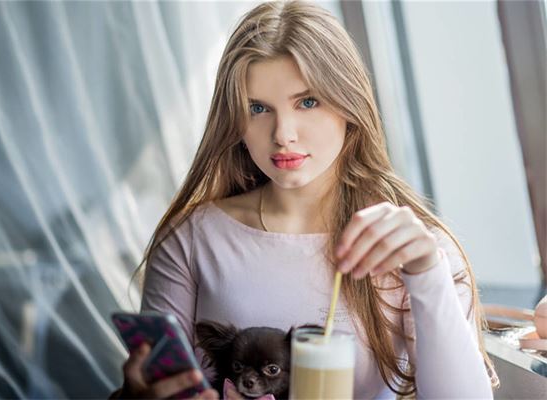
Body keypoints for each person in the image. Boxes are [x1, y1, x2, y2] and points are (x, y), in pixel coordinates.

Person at [111, 0, 499, 398]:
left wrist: (426, 273)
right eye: (257, 108)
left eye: (307, 102)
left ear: (350, 104)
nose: (283, 134)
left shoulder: (412, 247)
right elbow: (155, 386)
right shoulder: (191, 239)